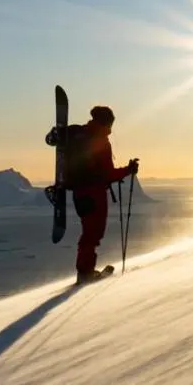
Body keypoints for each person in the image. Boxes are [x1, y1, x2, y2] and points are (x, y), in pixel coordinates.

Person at [66, 105, 139, 285]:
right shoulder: (100, 141)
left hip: (79, 193)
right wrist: (128, 170)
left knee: (88, 233)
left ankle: (85, 271)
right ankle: (85, 273)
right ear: (106, 122)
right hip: (94, 194)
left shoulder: (79, 134)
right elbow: (108, 174)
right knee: (93, 234)